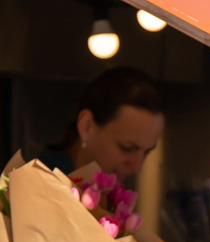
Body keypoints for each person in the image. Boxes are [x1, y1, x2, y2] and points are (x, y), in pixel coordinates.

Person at [36, 66, 164, 180]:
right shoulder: (39, 184)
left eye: (147, 152)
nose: (137, 167)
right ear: (87, 127)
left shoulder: (104, 191)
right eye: (127, 148)